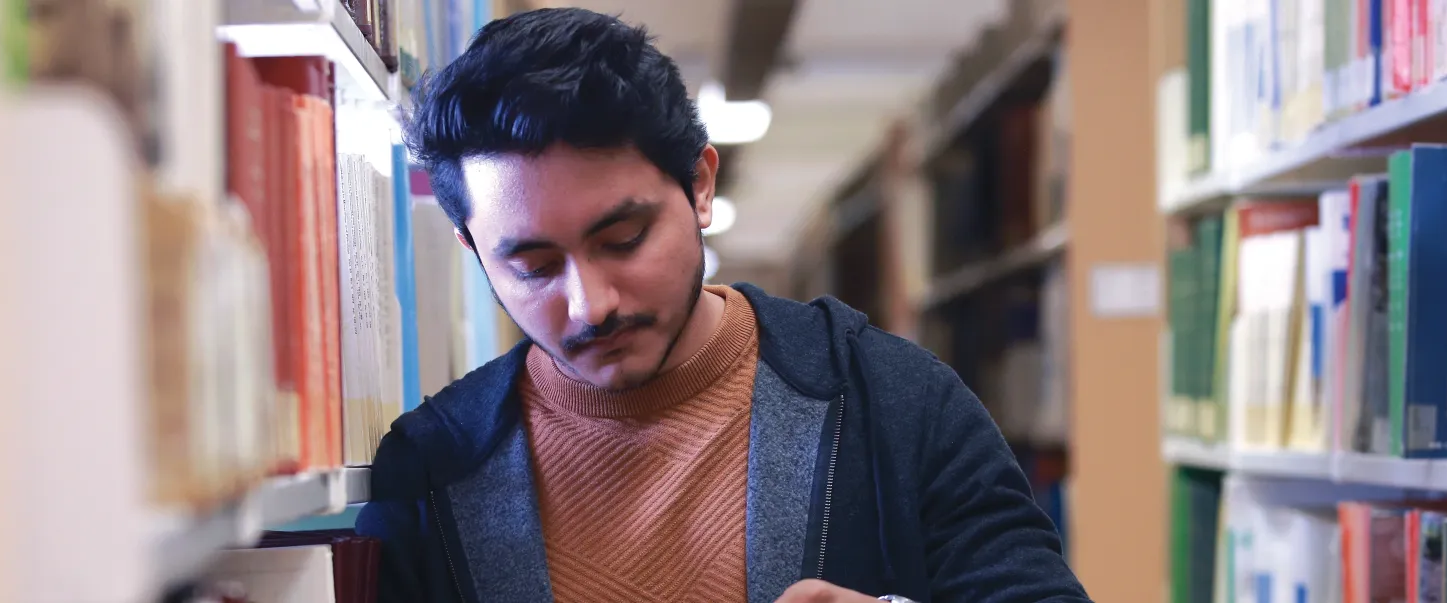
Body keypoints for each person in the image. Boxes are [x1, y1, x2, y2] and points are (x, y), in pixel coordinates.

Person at [355, 7, 1089, 603]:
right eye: (535, 265)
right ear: (472, 249)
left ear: (701, 185)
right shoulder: (428, 470)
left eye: (624, 237)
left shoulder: (895, 402)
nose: (590, 305)